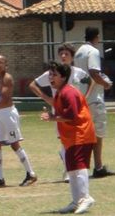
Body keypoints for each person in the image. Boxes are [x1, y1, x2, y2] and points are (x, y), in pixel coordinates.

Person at [41, 63, 97, 214]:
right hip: (71, 136)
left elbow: (71, 116)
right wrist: (53, 118)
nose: (50, 77)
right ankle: (76, 200)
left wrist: (52, 118)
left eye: (54, 75)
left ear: (63, 77)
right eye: (50, 74)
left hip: (81, 133)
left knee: (79, 166)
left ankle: (86, 198)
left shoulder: (68, 92)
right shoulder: (60, 92)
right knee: (71, 168)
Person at [30, 44, 90, 179]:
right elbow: (33, 85)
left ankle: (73, 168)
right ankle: (68, 170)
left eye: (66, 54)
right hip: (59, 112)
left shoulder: (78, 72)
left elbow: (89, 81)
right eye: (61, 54)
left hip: (75, 112)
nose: (63, 56)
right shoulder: (52, 72)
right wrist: (48, 99)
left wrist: (84, 98)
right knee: (64, 140)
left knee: (76, 140)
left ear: (72, 57)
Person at [0, 55, 37, 186]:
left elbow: (2, 96)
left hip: (7, 114)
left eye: (1, 63)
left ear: (6, 65)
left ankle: (30, 173)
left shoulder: (7, 78)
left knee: (15, 144)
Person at [74, 27, 115, 178]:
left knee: (84, 134)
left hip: (81, 96)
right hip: (94, 99)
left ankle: (82, 165)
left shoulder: (79, 51)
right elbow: (94, 72)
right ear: (97, 37)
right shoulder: (93, 51)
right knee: (98, 134)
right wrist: (106, 84)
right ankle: (98, 167)